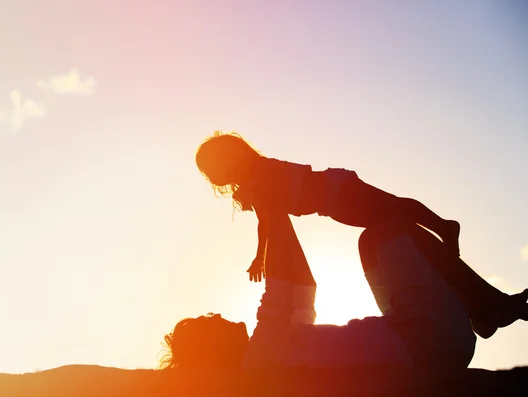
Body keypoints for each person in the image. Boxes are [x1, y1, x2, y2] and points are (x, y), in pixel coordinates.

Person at [159, 210, 528, 370]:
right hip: (429, 339)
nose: (220, 316)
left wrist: (272, 213)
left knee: (371, 245)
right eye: (212, 322)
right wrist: (270, 203)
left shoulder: (275, 350)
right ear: (213, 347)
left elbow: (302, 284)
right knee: (385, 228)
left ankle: (484, 309)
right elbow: (287, 277)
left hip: (424, 339)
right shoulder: (261, 355)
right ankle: (488, 308)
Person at [195, 131, 462, 280]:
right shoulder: (252, 186)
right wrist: (259, 257)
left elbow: (266, 222)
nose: (214, 174)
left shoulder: (258, 176)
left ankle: (444, 227)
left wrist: (259, 257)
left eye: (212, 166)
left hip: (336, 189)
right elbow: (267, 221)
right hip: (332, 205)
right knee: (391, 222)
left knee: (393, 209)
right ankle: (457, 284)